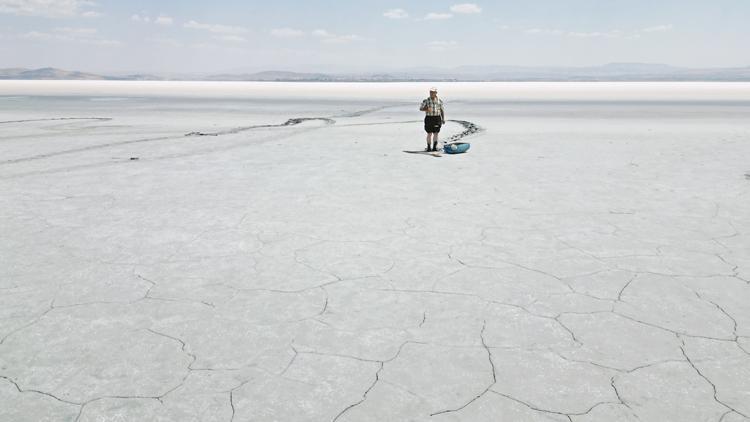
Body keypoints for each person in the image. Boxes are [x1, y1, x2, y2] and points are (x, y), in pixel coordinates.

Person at [419, 87, 445, 152]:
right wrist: (427, 109)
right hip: (429, 118)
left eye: (433, 92)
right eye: (430, 92)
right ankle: (428, 147)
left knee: (436, 133)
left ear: (436, 93)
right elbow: (421, 108)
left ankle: (434, 147)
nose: (431, 93)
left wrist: (443, 119)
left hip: (437, 118)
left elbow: (442, 110)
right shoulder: (426, 100)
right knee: (429, 133)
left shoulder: (439, 101)